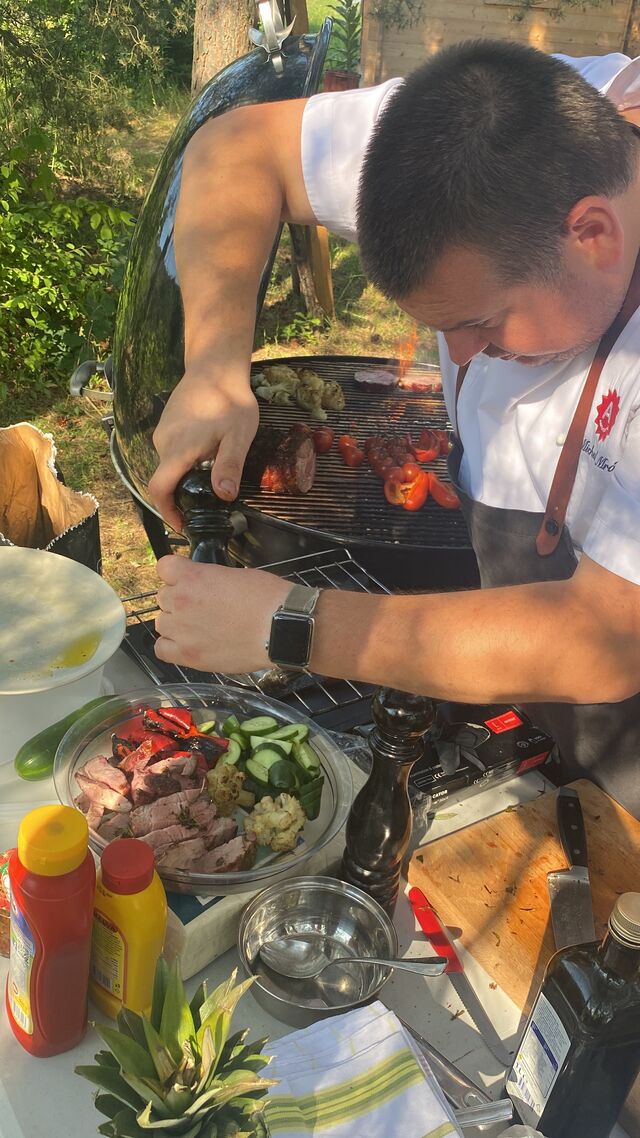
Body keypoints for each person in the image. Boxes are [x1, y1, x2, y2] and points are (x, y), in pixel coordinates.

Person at [148, 40, 640, 815]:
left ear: (593, 236)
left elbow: (603, 640)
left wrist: (291, 624)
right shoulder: (487, 127)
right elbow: (237, 147)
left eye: (482, 321)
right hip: (539, 702)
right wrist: (212, 366)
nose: (462, 357)